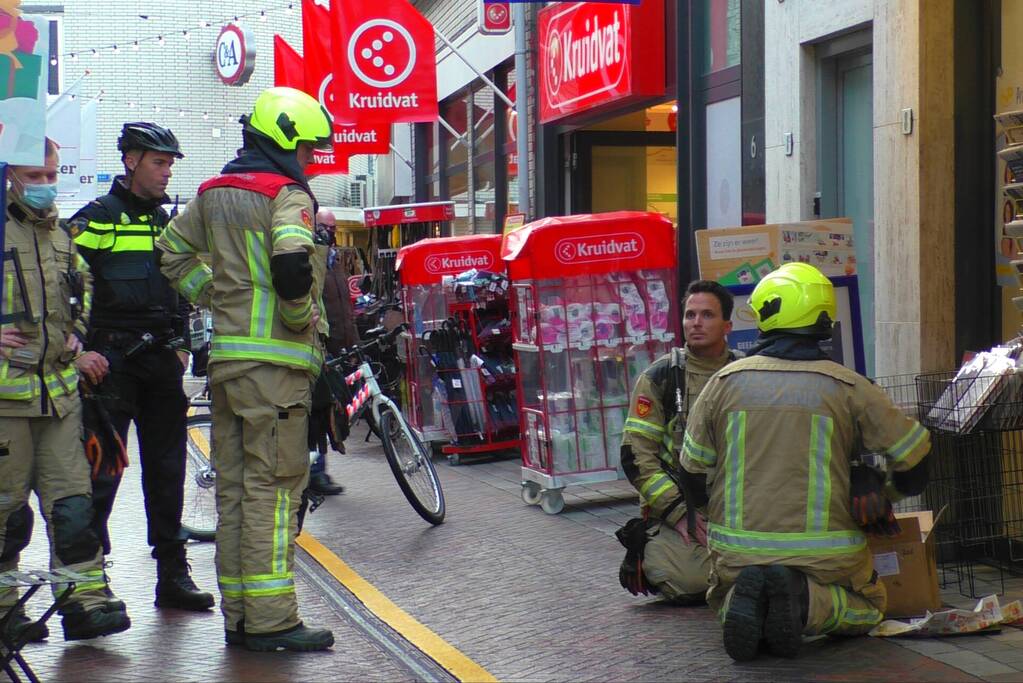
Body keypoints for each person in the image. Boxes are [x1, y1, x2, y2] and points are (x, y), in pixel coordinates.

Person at [156, 86, 335, 653]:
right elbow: (290, 263)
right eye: (305, 147)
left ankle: (240, 613)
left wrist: (214, 296)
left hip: (229, 367)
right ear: (283, 138)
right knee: (274, 491)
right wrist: (301, 316)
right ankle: (272, 620)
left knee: (234, 491)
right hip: (276, 370)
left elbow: (171, 252)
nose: (308, 160)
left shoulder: (213, 193)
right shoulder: (288, 195)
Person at [679, 263, 931, 661]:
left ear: (764, 316)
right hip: (828, 558)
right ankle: (804, 602)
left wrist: (717, 516)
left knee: (723, 593)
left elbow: (691, 473)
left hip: (737, 554)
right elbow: (916, 463)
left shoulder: (722, 383)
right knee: (870, 604)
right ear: (824, 320)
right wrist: (880, 491)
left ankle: (738, 606)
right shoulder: (850, 387)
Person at [68, 122, 214, 612]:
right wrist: (77, 348)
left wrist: (182, 345)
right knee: (102, 473)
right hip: (110, 365)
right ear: (130, 161)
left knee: (169, 470)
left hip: (160, 362)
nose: (167, 172)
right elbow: (61, 285)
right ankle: (91, 583)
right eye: (159, 162)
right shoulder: (97, 218)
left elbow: (182, 284)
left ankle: (173, 577)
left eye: (171, 163)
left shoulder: (168, 224)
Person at [0, 139, 131, 641]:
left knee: (74, 509)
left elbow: (82, 286)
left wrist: (77, 329)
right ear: (9, 174)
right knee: (7, 517)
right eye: (35, 175)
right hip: (6, 400)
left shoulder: (60, 233)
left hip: (58, 395)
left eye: (52, 174)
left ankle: (83, 603)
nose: (46, 185)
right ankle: (4, 613)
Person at [617, 280, 740, 604]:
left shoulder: (746, 374)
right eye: (690, 315)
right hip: (685, 509)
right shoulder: (660, 377)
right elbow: (636, 456)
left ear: (727, 325)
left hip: (742, 507)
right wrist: (677, 512)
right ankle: (655, 548)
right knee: (688, 580)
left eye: (707, 315)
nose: (696, 322)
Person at [306, 209, 359, 496]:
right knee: (320, 410)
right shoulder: (313, 261)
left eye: (334, 227)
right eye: (325, 226)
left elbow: (344, 307)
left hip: (339, 345)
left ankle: (318, 470)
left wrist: (353, 342)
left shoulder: (335, 260)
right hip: (321, 345)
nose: (330, 232)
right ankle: (316, 472)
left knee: (329, 410)